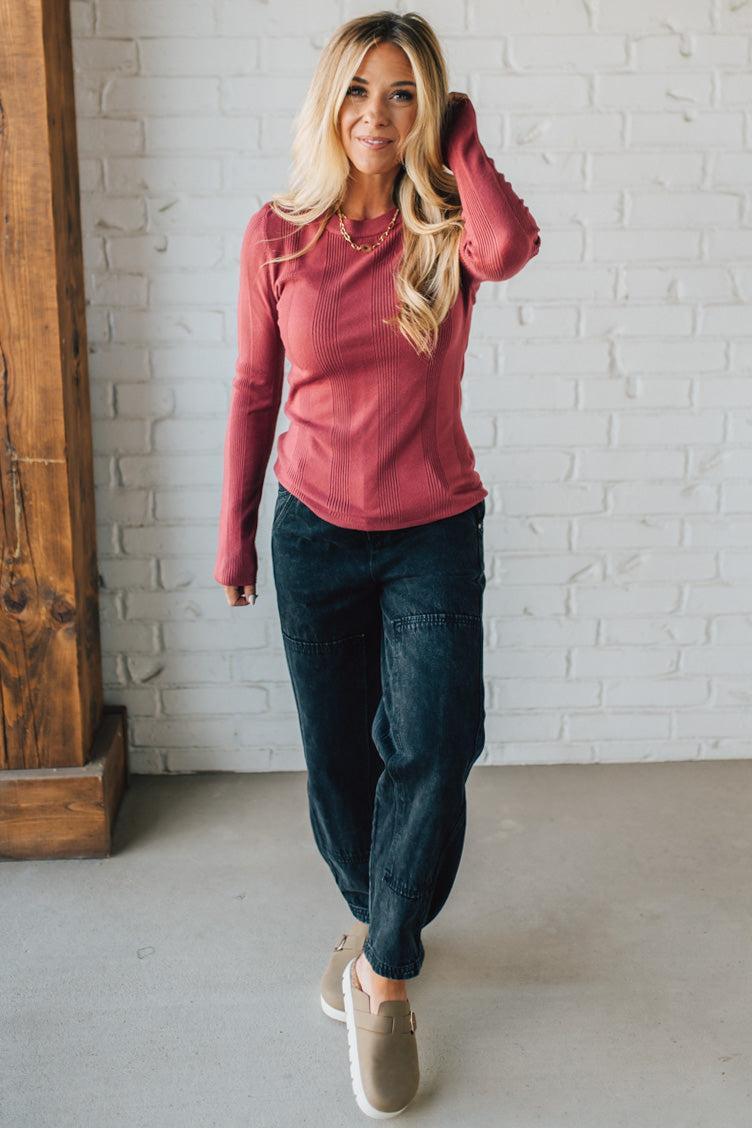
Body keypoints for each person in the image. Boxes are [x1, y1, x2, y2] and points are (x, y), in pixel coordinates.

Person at [213, 10, 540, 1118]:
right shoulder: (277, 234)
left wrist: (462, 140)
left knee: (440, 740)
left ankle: (385, 971)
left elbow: (511, 246)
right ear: (330, 101)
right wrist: (231, 532)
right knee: (337, 766)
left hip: (432, 527)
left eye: (404, 94)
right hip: (310, 533)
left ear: (427, 108)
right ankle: (383, 917)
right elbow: (256, 392)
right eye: (361, 91)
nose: (377, 115)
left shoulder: (445, 225)